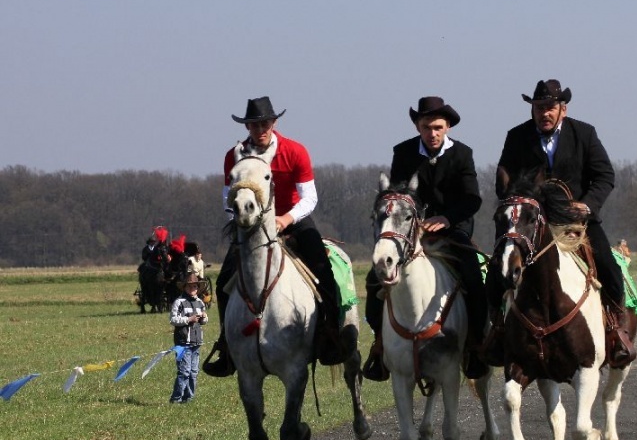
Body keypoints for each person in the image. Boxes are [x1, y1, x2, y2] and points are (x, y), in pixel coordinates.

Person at [489, 79, 636, 367]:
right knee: (499, 269)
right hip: (532, 223)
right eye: (539, 107)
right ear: (532, 109)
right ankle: (497, 330)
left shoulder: (584, 134)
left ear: (562, 109)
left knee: (607, 265)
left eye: (550, 107)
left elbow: (605, 175)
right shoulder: (516, 137)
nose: (544, 113)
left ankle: (616, 329)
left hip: (576, 221)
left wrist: (588, 205)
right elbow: (505, 180)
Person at [203, 96, 346, 377]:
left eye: (265, 123)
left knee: (322, 268)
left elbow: (310, 198)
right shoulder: (234, 156)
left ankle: (331, 334)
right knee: (223, 282)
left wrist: (285, 218)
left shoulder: (295, 151)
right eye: (254, 125)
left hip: (293, 219)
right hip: (251, 225)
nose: (260, 129)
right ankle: (227, 345)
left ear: (274, 122)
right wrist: (245, 222)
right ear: (247, 126)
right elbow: (226, 199)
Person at [362, 96, 488, 381]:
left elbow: (472, 199)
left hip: (452, 229)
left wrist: (445, 219)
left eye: (438, 127)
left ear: (448, 128)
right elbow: (397, 195)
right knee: (374, 280)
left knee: (473, 278)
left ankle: (476, 346)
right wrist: (414, 223)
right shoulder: (403, 152)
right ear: (418, 127)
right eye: (426, 127)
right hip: (410, 231)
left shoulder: (462, 154)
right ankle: (380, 347)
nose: (432, 133)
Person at [169, 273, 209, 403]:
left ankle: (189, 398)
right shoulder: (179, 302)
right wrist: (188, 319)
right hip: (183, 344)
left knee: (193, 373)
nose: (193, 289)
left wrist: (203, 318)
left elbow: (204, 321)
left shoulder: (199, 302)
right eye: (190, 286)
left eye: (195, 286)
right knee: (184, 372)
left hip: (196, 343)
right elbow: (173, 319)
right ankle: (176, 399)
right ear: (185, 287)